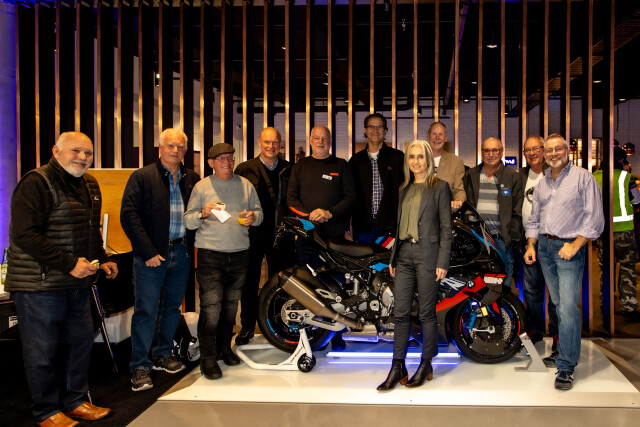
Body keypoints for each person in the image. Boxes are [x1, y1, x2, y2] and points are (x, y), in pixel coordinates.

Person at [5, 132, 118, 426]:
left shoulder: (89, 183)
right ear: (56, 151)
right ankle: (46, 410)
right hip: (38, 286)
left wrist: (102, 257)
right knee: (42, 351)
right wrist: (69, 264)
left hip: (77, 284)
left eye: (88, 153)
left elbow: (91, 230)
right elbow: (25, 235)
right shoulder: (36, 182)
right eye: (75, 151)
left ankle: (75, 401)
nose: (82, 157)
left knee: (79, 344)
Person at [121, 127, 200, 392]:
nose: (176, 151)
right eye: (170, 146)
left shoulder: (192, 178)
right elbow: (129, 216)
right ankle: (139, 365)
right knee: (146, 310)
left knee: (171, 308)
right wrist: (147, 252)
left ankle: (163, 353)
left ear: (185, 150)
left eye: (180, 146)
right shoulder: (142, 177)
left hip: (182, 252)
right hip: (151, 256)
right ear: (160, 148)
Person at [524, 133, 604, 390]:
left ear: (567, 151)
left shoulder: (583, 178)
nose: (553, 154)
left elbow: (595, 220)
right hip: (545, 248)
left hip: (569, 248)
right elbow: (534, 219)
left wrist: (575, 245)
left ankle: (567, 366)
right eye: (549, 150)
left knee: (568, 308)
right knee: (558, 304)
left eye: (558, 149)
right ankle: (562, 353)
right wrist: (531, 244)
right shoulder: (543, 182)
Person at [377, 140, 452, 391]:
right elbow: (399, 227)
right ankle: (397, 366)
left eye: (420, 157)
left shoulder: (440, 187)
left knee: (426, 313)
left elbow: (446, 229)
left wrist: (442, 261)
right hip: (404, 255)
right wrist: (393, 257)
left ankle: (426, 363)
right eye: (412, 157)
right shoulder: (404, 188)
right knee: (400, 313)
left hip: (428, 255)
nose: (416, 161)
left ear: (428, 160)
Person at [184, 143, 263, 380]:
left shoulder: (245, 185)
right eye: (221, 159)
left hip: (239, 253)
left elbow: (259, 214)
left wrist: (253, 217)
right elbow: (188, 221)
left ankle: (225, 348)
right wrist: (203, 213)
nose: (227, 163)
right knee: (211, 308)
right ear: (211, 163)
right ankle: (208, 358)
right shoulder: (202, 187)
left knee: (230, 307)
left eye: (230, 158)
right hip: (211, 255)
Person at [287, 125, 356, 351]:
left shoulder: (341, 165)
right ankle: (310, 333)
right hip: (307, 235)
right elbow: (291, 199)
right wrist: (309, 216)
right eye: (316, 138)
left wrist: (329, 213)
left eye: (324, 138)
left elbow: (350, 198)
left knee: (336, 286)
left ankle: (337, 334)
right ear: (310, 140)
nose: (320, 141)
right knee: (308, 285)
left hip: (334, 238)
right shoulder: (300, 166)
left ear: (330, 141)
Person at [234, 127, 292, 345]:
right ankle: (247, 326)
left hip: (281, 235)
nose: (271, 146)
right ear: (259, 142)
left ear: (280, 144)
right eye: (267, 142)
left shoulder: (289, 169)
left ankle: (278, 325)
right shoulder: (244, 168)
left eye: (275, 142)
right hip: (251, 235)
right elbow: (234, 199)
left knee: (280, 283)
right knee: (248, 282)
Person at [464, 137, 522, 290]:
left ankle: (504, 303)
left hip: (501, 239)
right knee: (479, 281)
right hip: (478, 239)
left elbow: (517, 210)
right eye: (487, 151)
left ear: (501, 152)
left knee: (504, 280)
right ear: (482, 153)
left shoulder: (512, 176)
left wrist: (510, 237)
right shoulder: (471, 175)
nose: (491, 154)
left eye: (495, 150)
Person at [518, 136, 558, 345]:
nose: (532, 153)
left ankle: (557, 332)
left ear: (543, 150)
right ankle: (536, 329)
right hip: (529, 241)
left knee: (556, 290)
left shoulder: (555, 174)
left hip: (553, 240)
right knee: (532, 289)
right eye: (528, 150)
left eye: (536, 149)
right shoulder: (520, 176)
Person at [594, 146, 640, 321]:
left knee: (606, 268)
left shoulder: (594, 177)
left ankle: (606, 302)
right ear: (621, 160)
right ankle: (629, 306)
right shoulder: (627, 177)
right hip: (625, 231)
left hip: (603, 231)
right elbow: (637, 201)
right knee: (627, 268)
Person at [348, 113, 404, 243]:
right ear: (365, 130)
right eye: (371, 127)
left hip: (390, 226)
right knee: (364, 257)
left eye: (379, 127)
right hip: (363, 227)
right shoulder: (355, 161)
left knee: (387, 257)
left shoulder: (398, 157)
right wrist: (348, 226)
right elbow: (349, 195)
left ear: (385, 131)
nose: (375, 130)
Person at [426, 121, 466, 210]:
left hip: (444, 212)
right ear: (428, 136)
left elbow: (459, 190)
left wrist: (458, 202)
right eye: (434, 134)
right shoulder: (418, 159)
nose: (437, 137)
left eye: (441, 134)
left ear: (445, 138)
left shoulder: (456, 161)